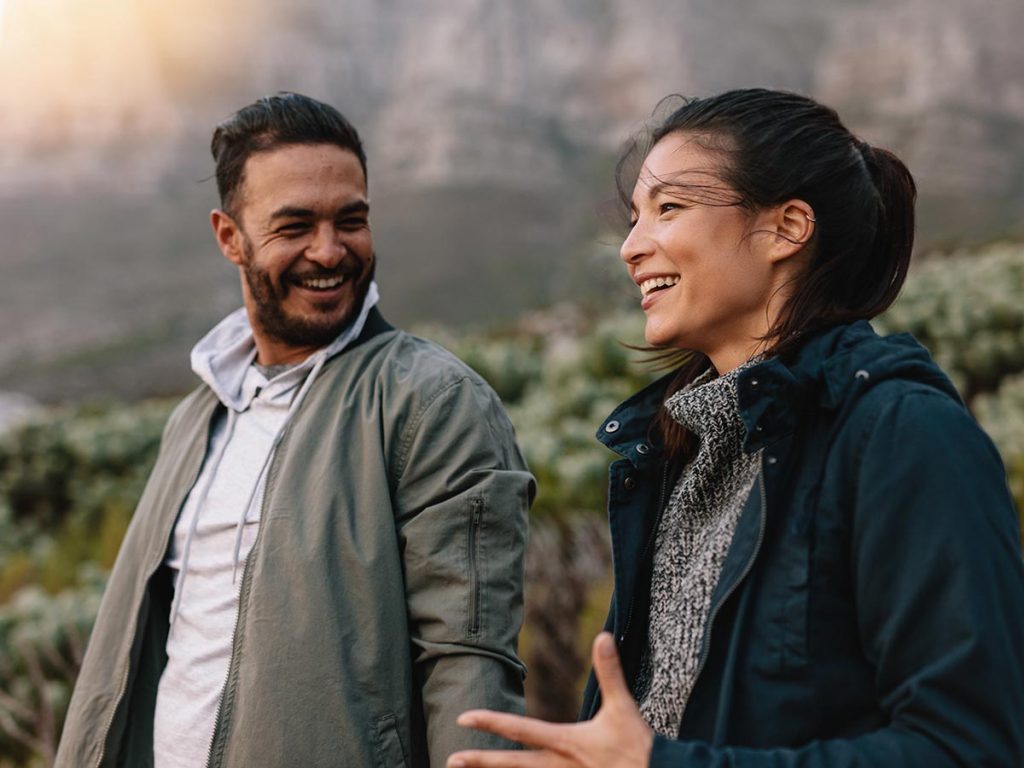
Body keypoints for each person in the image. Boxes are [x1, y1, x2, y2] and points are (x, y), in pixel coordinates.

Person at [447, 88, 1024, 767]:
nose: (632, 248)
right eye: (634, 218)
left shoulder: (904, 434)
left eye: (669, 208)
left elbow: (971, 748)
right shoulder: (675, 452)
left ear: (786, 228)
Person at [56, 92, 535, 768]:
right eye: (295, 225)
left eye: (351, 220)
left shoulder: (433, 402)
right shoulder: (199, 414)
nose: (329, 250)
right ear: (230, 237)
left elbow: (471, 669)